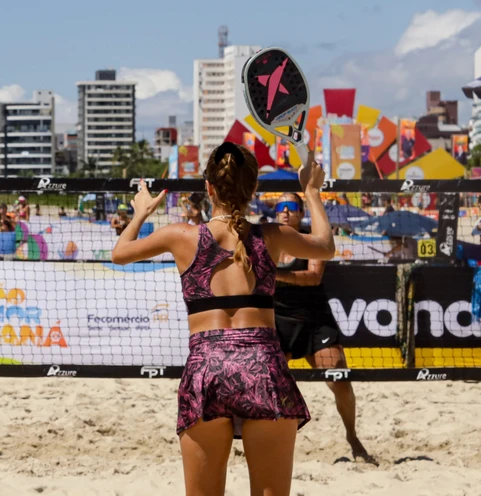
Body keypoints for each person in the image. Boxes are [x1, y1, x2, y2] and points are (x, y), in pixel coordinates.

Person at [111, 143, 333, 495]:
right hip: (263, 366)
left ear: (209, 188)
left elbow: (120, 253)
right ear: (254, 189)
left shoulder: (182, 236)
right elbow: (325, 245)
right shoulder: (270, 236)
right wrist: (311, 192)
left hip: (207, 368)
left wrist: (141, 212)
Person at [273, 193, 374, 463]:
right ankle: (270, 441)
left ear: (301, 212)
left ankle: (351, 435)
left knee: (339, 376)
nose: (284, 211)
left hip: (314, 320)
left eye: (291, 207)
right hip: (279, 321)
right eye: (279, 207)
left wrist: (274, 275)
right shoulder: (266, 240)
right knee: (268, 381)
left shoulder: (309, 239)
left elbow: (313, 277)